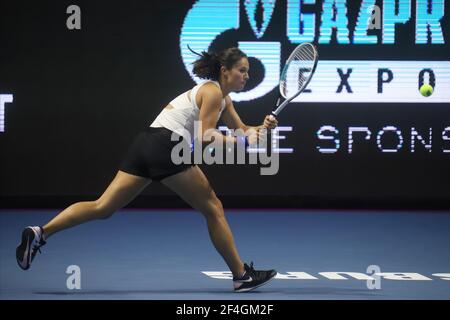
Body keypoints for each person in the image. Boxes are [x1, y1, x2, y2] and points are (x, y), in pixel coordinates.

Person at [16, 47, 279, 292]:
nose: (246, 76)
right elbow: (206, 135)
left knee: (103, 207)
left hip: (146, 143)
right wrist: (241, 141)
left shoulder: (223, 100)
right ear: (225, 71)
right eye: (242, 70)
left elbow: (243, 130)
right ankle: (240, 275)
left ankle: (41, 232)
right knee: (213, 207)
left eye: (247, 72)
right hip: (167, 145)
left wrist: (262, 128)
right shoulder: (211, 92)